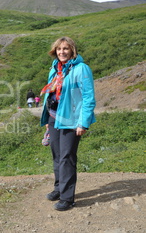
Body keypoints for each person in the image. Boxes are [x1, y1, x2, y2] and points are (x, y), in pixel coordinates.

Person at [40, 36, 96, 211]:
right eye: (58, 49)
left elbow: (88, 98)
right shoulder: (55, 69)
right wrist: (48, 120)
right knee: (57, 155)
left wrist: (83, 123)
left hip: (71, 120)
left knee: (67, 158)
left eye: (65, 49)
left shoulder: (81, 69)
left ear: (72, 50)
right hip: (54, 117)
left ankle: (67, 198)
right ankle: (59, 188)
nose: (62, 52)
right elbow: (51, 94)